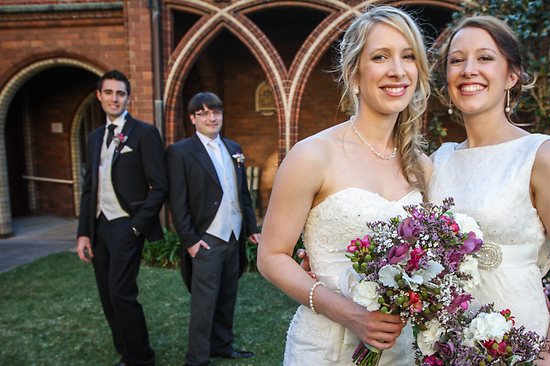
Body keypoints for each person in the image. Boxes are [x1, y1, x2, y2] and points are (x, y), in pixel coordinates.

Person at [257, 6, 433, 365]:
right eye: (380, 57)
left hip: (397, 349)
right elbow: (271, 257)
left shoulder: (423, 168)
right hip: (325, 348)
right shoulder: (312, 155)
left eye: (408, 56)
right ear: (354, 73)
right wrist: (351, 315)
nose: (397, 71)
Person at [428, 16, 550, 365]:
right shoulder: (438, 161)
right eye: (457, 60)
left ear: (512, 75)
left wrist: (549, 357)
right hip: (443, 338)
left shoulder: (540, 154)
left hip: (517, 335)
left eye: (485, 58)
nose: (468, 69)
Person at [76, 69, 168, 366]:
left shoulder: (143, 133)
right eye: (109, 93)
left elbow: (160, 185)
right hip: (99, 225)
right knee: (106, 294)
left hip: (126, 226)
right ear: (99, 95)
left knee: (121, 292)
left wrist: (136, 226)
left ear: (128, 97)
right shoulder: (93, 138)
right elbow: (89, 187)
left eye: (120, 93)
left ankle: (142, 358)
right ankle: (125, 352)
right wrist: (83, 232)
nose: (114, 98)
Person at [166, 92, 260, 366]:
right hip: (206, 238)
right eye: (204, 113)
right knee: (204, 303)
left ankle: (222, 345)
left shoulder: (233, 147)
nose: (212, 117)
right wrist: (190, 241)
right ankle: (196, 358)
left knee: (227, 295)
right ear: (193, 118)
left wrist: (251, 228)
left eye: (216, 111)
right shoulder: (181, 152)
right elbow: (178, 200)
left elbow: (243, 193)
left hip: (233, 235)